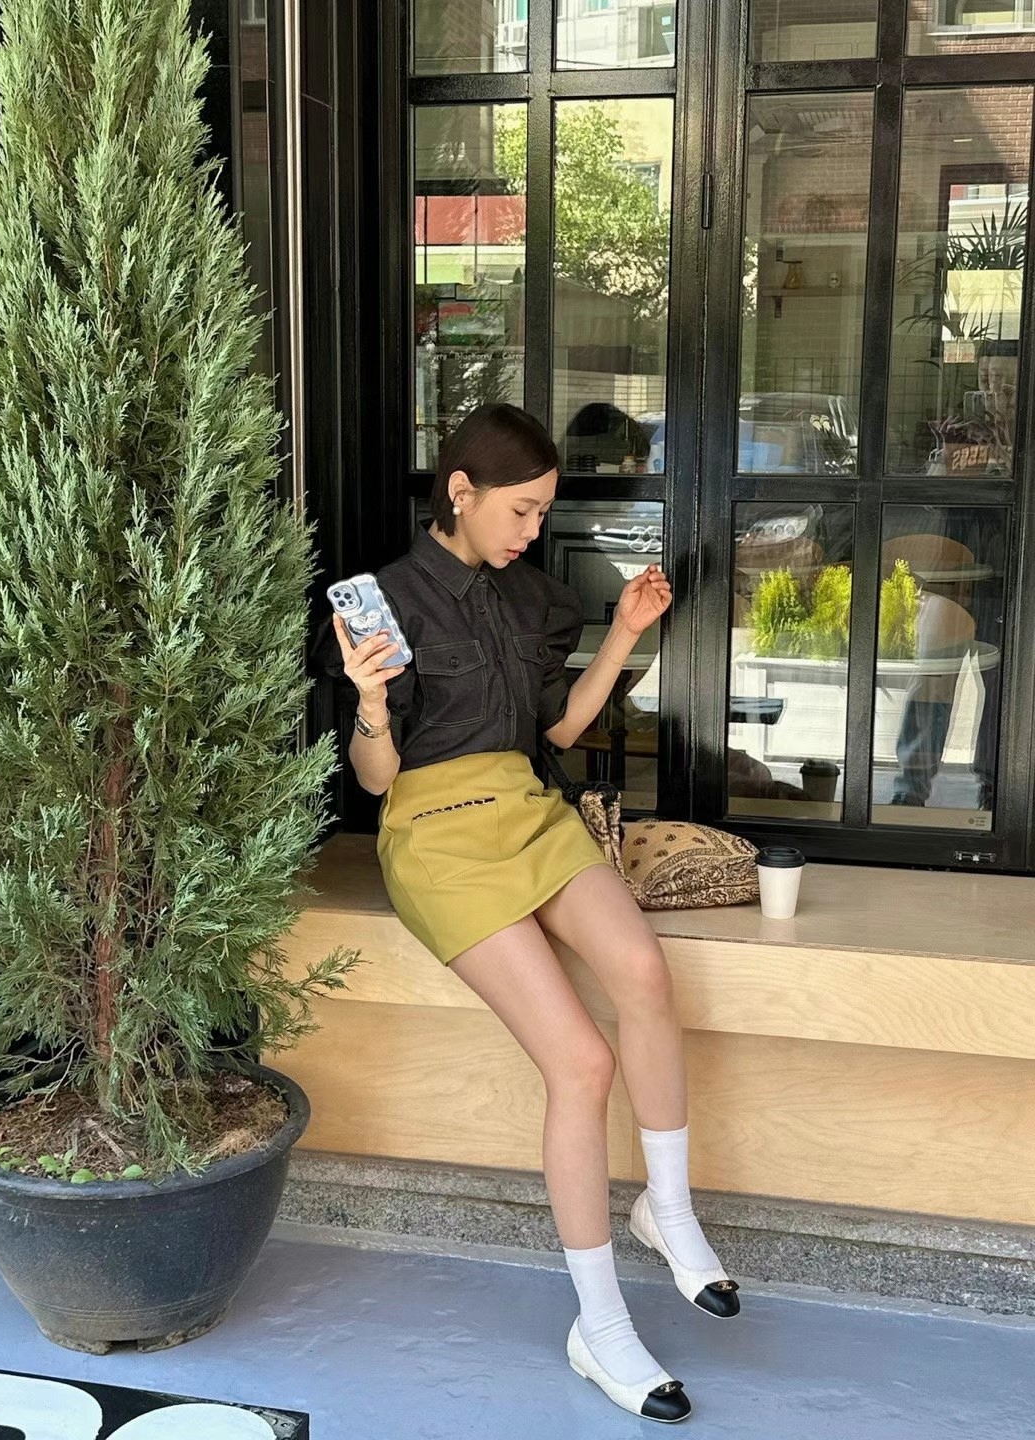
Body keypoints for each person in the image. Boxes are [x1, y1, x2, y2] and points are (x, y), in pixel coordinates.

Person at [316, 403, 737, 1425]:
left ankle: (667, 1208)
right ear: (460, 492)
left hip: (530, 811)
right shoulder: (384, 600)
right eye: (520, 510)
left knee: (645, 975)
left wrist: (625, 633)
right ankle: (600, 1324)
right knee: (580, 1062)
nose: (533, 529)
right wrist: (369, 704)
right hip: (436, 834)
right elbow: (376, 780)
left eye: (544, 511)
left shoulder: (536, 598)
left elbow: (559, 728)